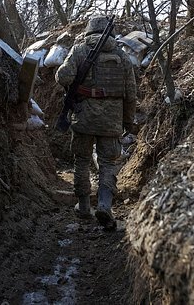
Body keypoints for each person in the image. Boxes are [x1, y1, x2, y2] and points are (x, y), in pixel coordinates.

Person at [55, 16, 137, 230]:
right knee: (108, 163)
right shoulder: (122, 56)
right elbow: (131, 94)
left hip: (83, 116)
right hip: (112, 120)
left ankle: (83, 206)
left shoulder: (79, 50)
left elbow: (62, 77)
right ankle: (104, 205)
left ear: (89, 32)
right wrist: (128, 122)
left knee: (81, 160)